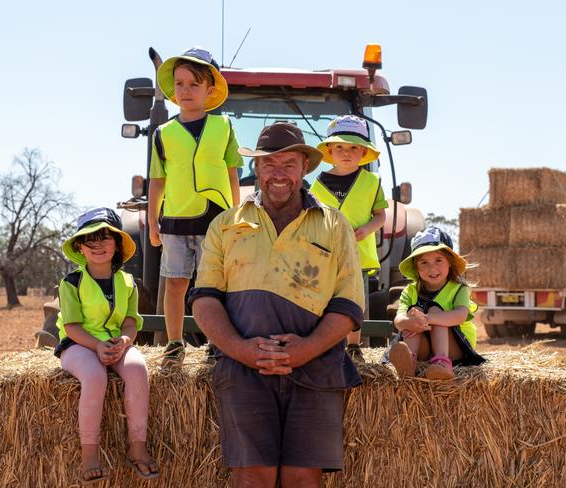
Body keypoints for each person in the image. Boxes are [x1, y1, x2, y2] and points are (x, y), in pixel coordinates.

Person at [189, 122, 365, 488]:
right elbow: (204, 300)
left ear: (305, 168)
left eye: (289, 164)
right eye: (269, 164)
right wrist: (241, 350)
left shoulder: (335, 225)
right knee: (253, 477)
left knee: (303, 479)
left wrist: (306, 350)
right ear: (256, 169)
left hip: (317, 367)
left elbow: (348, 304)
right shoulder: (225, 224)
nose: (278, 174)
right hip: (242, 369)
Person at [148, 46, 242, 362]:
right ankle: (175, 342)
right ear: (172, 89)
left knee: (213, 287)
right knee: (175, 284)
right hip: (175, 218)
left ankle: (218, 342)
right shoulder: (163, 133)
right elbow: (157, 181)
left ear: (209, 89)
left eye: (194, 84)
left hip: (216, 220)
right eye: (180, 84)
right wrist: (152, 222)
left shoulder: (225, 127)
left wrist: (237, 214)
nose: (186, 91)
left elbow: (232, 174)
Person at [54, 208, 160, 483]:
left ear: (117, 244)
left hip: (115, 342)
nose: (98, 246)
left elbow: (130, 323)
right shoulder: (71, 283)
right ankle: (89, 452)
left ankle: (137, 447)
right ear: (80, 246)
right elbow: (72, 327)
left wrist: (124, 342)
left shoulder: (127, 282)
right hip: (79, 344)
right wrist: (98, 346)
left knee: (138, 370)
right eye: (91, 240)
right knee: (95, 376)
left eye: (106, 239)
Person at [310, 115, 387, 362]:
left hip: (359, 254)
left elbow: (381, 216)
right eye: (340, 147)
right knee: (327, 298)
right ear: (330, 150)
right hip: (327, 253)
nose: (346, 152)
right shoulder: (318, 184)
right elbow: (313, 218)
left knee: (355, 299)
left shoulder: (372, 182)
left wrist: (368, 228)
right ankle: (328, 343)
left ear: (363, 152)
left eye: (354, 147)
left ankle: (353, 345)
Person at [388, 226, 485, 380]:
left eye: (438, 260)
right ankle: (409, 363)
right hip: (425, 350)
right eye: (424, 262)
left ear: (450, 263)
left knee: (434, 311)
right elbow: (398, 320)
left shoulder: (458, 289)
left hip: (456, 350)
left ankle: (442, 364)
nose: (432, 267)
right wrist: (411, 322)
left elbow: (460, 315)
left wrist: (429, 319)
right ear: (416, 267)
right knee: (413, 312)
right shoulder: (410, 291)